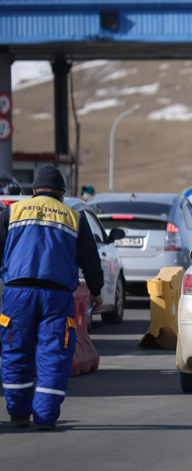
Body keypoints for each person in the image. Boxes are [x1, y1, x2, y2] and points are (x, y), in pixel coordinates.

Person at [0, 166, 104, 430]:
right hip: (56, 298)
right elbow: (91, 262)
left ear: (33, 191)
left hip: (17, 294)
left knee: (15, 351)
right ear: (61, 193)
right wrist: (95, 291)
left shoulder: (11, 212)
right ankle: (45, 417)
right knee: (54, 355)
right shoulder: (74, 218)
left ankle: (18, 412)